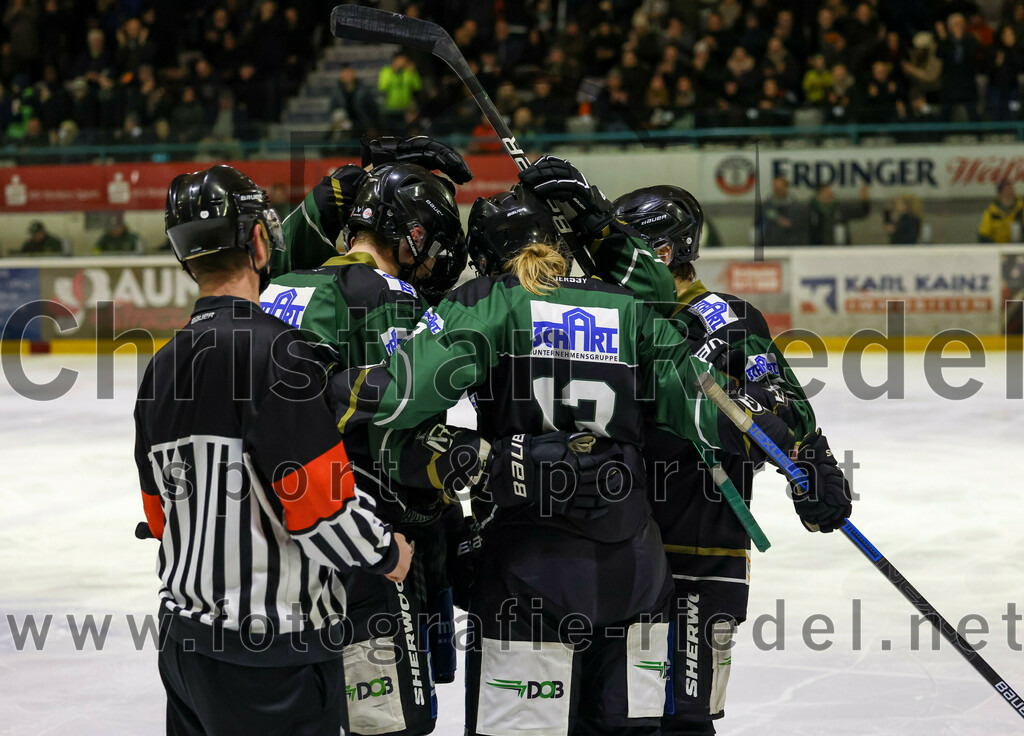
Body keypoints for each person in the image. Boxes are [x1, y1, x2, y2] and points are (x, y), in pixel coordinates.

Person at [332, 163, 808, 735]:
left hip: (529, 574)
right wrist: (796, 449)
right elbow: (717, 414)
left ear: (485, 259)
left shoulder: (492, 302)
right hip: (637, 577)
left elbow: (398, 399)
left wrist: (317, 385)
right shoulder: (628, 308)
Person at [135, 164, 413, 735]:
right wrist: (388, 552)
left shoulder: (160, 367)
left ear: (185, 258)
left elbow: (158, 512)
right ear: (260, 240)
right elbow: (321, 505)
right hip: (270, 653)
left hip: (184, 648)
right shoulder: (278, 352)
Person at [612, 185, 851, 735]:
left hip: (705, 547)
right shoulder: (617, 321)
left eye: (626, 255)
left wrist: (817, 472)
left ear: (664, 254)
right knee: (622, 714)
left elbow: (786, 409)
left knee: (684, 718)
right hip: (625, 544)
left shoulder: (728, 322)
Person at [262, 143, 478, 736]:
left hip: (274, 540)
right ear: (408, 235)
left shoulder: (278, 286)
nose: (434, 260)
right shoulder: (395, 301)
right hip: (372, 538)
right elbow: (401, 422)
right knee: (391, 724)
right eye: (430, 243)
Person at [378, 52, 421, 132]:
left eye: (404, 60)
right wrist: (394, 72)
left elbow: (417, 86)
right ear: (395, 60)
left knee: (406, 133)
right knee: (392, 133)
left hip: (406, 110)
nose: (402, 62)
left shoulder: (408, 71)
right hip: (390, 109)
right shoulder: (386, 71)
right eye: (400, 60)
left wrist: (412, 72)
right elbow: (383, 86)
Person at [761, 177, 803, 246]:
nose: (778, 190)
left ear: (786, 187)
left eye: (780, 187)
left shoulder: (796, 206)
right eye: (776, 187)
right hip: (770, 243)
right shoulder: (766, 206)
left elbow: (799, 225)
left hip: (792, 243)